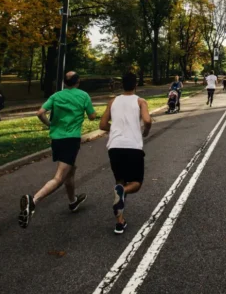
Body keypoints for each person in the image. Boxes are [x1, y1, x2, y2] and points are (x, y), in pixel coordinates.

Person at [18, 71, 97, 228]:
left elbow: (40, 112)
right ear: (78, 81)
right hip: (71, 139)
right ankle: (33, 201)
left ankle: (73, 202)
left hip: (57, 139)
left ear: (64, 82)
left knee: (71, 170)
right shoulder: (83, 95)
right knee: (59, 177)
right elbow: (92, 117)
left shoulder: (56, 96)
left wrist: (50, 124)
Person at [99, 72, 152, 234]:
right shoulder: (140, 101)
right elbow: (148, 120)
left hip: (114, 147)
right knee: (135, 183)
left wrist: (114, 129)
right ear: (135, 85)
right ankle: (124, 193)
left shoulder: (112, 101)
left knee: (120, 182)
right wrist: (145, 132)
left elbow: (102, 125)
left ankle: (120, 223)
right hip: (133, 146)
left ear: (122, 85)